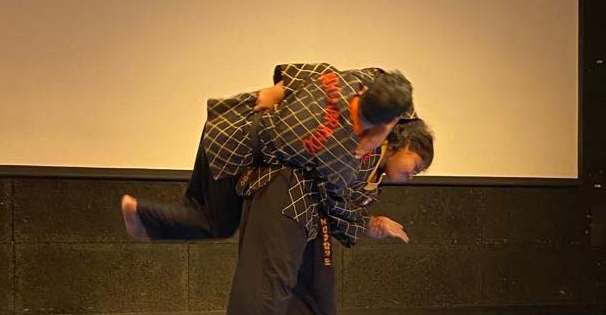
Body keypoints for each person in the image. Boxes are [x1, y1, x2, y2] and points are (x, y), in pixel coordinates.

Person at [215, 117, 435, 315]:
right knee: (266, 283)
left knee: (319, 281)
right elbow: (334, 190)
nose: (414, 173)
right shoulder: (363, 143)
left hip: (312, 206)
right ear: (399, 144)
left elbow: (341, 201)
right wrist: (368, 223)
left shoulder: (375, 167)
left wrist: (369, 224)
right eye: (416, 164)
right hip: (282, 190)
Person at [122, 62, 413, 242]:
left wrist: (279, 94)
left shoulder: (343, 78)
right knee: (217, 224)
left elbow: (372, 73)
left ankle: (145, 218)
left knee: (193, 208)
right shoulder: (339, 154)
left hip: (226, 121)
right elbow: (335, 206)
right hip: (232, 153)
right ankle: (140, 212)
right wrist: (369, 224)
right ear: (386, 123)